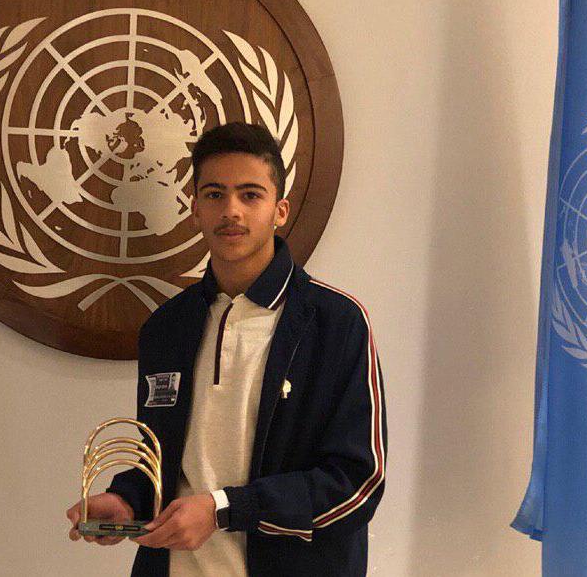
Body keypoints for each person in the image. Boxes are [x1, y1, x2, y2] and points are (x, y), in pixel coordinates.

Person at [66, 122, 388, 576]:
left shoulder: (336, 322)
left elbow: (357, 484)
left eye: (250, 195)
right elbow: (166, 461)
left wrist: (225, 510)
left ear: (279, 210)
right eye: (214, 194)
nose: (231, 210)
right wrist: (126, 500)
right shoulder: (165, 328)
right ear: (195, 208)